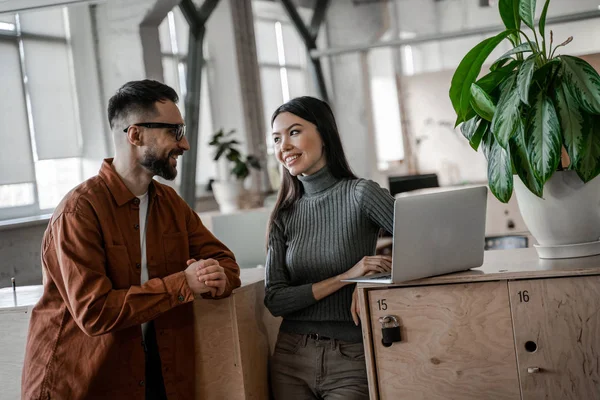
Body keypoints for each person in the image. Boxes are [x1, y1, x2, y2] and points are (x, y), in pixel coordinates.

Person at [21, 79, 241, 400]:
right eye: (174, 132)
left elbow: (225, 262)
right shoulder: (79, 211)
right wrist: (184, 284)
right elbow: (94, 313)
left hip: (153, 376)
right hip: (81, 384)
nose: (185, 144)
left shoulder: (170, 204)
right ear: (135, 135)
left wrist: (218, 276)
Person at [265, 96, 395, 399]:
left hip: (351, 355)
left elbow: (426, 243)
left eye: (294, 132)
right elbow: (275, 300)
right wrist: (347, 278)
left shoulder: (361, 194)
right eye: (276, 138)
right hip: (289, 356)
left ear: (324, 134)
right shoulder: (283, 215)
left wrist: (369, 285)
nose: (283, 146)